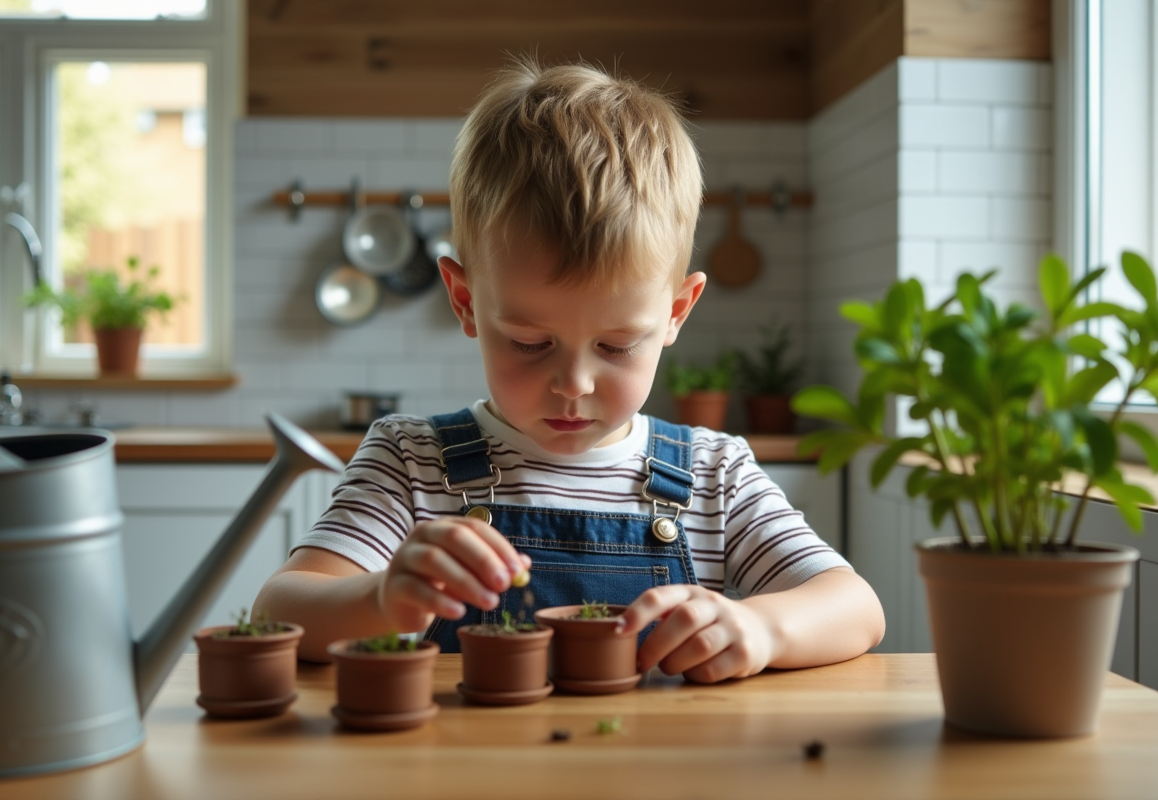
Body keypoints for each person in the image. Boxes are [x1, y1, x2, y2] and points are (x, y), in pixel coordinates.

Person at [253, 57, 885, 684]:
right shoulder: (411, 463)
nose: (574, 384)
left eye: (616, 345)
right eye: (530, 342)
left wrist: (761, 627)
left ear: (676, 313)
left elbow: (857, 608)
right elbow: (279, 609)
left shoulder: (713, 476)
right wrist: (382, 598)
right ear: (465, 301)